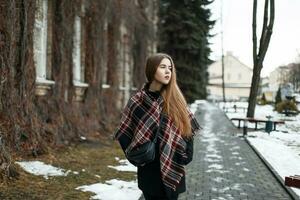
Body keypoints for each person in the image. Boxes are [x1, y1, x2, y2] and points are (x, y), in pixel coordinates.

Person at [114, 53, 201, 200]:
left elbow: (188, 130)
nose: (168, 71)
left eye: (170, 68)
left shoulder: (176, 100)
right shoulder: (137, 101)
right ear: (152, 70)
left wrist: (186, 155)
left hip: (173, 167)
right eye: (163, 67)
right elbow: (125, 132)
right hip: (149, 173)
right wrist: (137, 156)